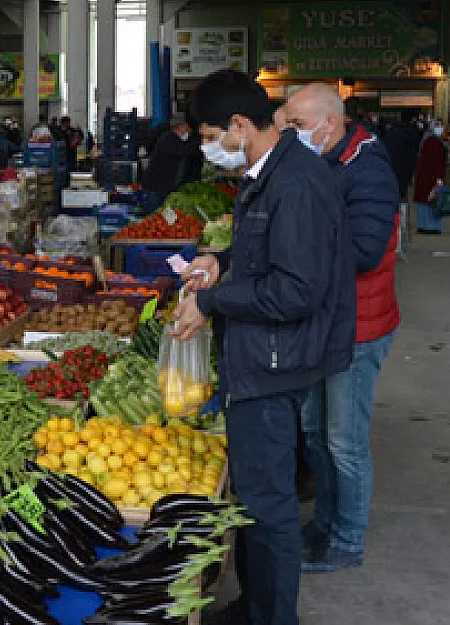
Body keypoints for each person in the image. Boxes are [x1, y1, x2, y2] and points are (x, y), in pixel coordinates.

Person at [175, 69, 355, 625]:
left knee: (269, 508)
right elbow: (270, 258)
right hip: (261, 355)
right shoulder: (269, 173)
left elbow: (296, 290)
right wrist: (220, 262)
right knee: (254, 499)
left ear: (239, 124)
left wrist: (210, 305)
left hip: (274, 362)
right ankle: (253, 607)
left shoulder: (295, 183)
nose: (209, 148)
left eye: (210, 135)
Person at [282, 83, 401, 573]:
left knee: (344, 441)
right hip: (324, 323)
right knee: (314, 431)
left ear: (330, 123)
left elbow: (365, 251)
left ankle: (346, 540)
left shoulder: (368, 170)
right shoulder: (326, 161)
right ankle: (325, 522)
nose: (290, 134)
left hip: (359, 326)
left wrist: (292, 247)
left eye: (298, 125)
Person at [142, 113, 200, 214]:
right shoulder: (168, 139)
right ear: (181, 126)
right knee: (152, 216)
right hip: (156, 188)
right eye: (187, 128)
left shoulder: (175, 139)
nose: (189, 131)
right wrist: (204, 143)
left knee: (160, 216)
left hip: (163, 186)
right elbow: (184, 150)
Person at [412, 121, 447, 234]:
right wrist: (439, 178)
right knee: (433, 201)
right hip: (432, 177)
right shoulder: (434, 142)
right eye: (437, 125)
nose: (440, 128)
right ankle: (432, 227)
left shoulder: (426, 139)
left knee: (424, 202)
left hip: (424, 177)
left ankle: (423, 225)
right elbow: (436, 162)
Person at [382, 110, 424, 199]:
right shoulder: (413, 132)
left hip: (393, 164)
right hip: (407, 166)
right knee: (403, 190)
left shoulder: (392, 130)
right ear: (412, 120)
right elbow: (417, 149)